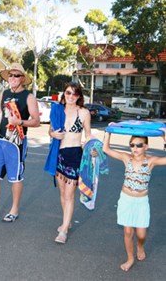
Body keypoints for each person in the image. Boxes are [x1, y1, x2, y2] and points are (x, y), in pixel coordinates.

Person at [0, 63, 40, 224]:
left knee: (15, 178)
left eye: (16, 75)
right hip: (0, 140)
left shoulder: (29, 97)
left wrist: (19, 121)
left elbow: (36, 122)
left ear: (22, 78)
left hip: (17, 142)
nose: (13, 78)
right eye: (10, 75)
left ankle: (14, 209)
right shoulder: (4, 93)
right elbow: (1, 117)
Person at [103, 130, 166, 271]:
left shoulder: (151, 161)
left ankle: (140, 245)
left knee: (141, 234)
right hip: (126, 200)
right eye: (132, 145)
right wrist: (108, 132)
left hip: (141, 202)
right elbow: (106, 149)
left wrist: (164, 136)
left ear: (146, 147)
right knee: (127, 232)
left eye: (139, 145)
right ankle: (130, 258)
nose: (135, 148)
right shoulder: (127, 158)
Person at [44, 82, 97, 244]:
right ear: (64, 94)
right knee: (62, 193)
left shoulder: (84, 113)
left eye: (75, 94)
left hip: (75, 155)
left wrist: (92, 149)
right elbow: (50, 130)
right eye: (68, 93)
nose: (71, 96)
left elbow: (88, 135)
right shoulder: (57, 110)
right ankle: (66, 221)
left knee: (69, 195)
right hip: (59, 155)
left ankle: (65, 229)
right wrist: (53, 134)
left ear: (79, 96)